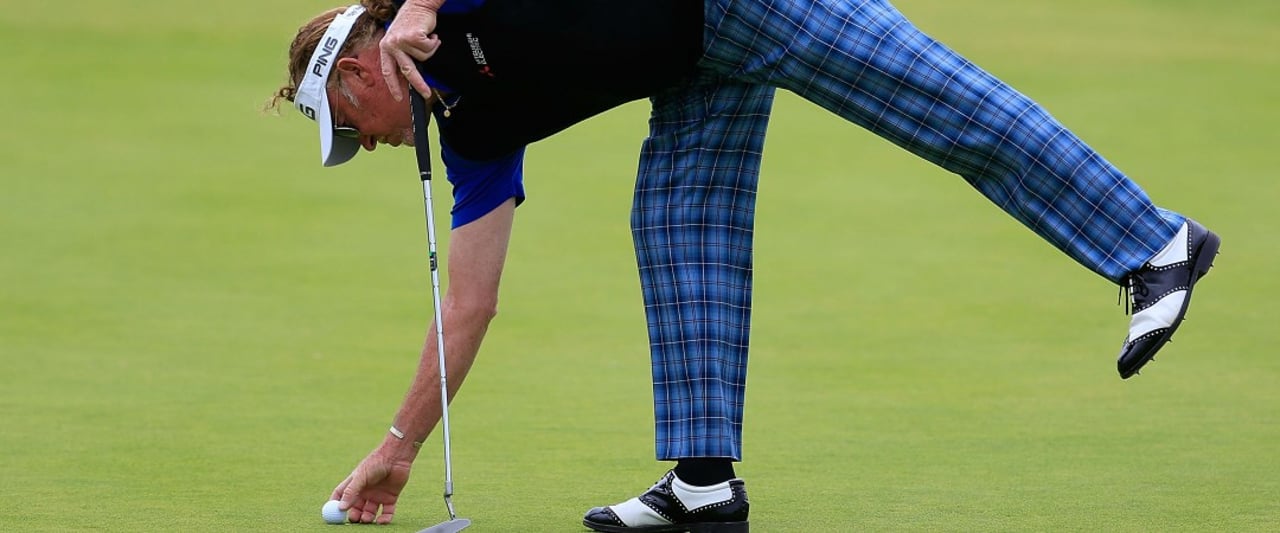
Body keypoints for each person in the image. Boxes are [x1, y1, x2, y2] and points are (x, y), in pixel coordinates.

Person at [268, 0, 1220, 530]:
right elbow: (469, 304)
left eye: (353, 130)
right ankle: (702, 484)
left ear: (358, 72)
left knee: (939, 106)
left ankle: (1152, 242)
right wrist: (398, 445)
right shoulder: (470, 130)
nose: (370, 146)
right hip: (694, 61)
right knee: (679, 225)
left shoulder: (435, 13)